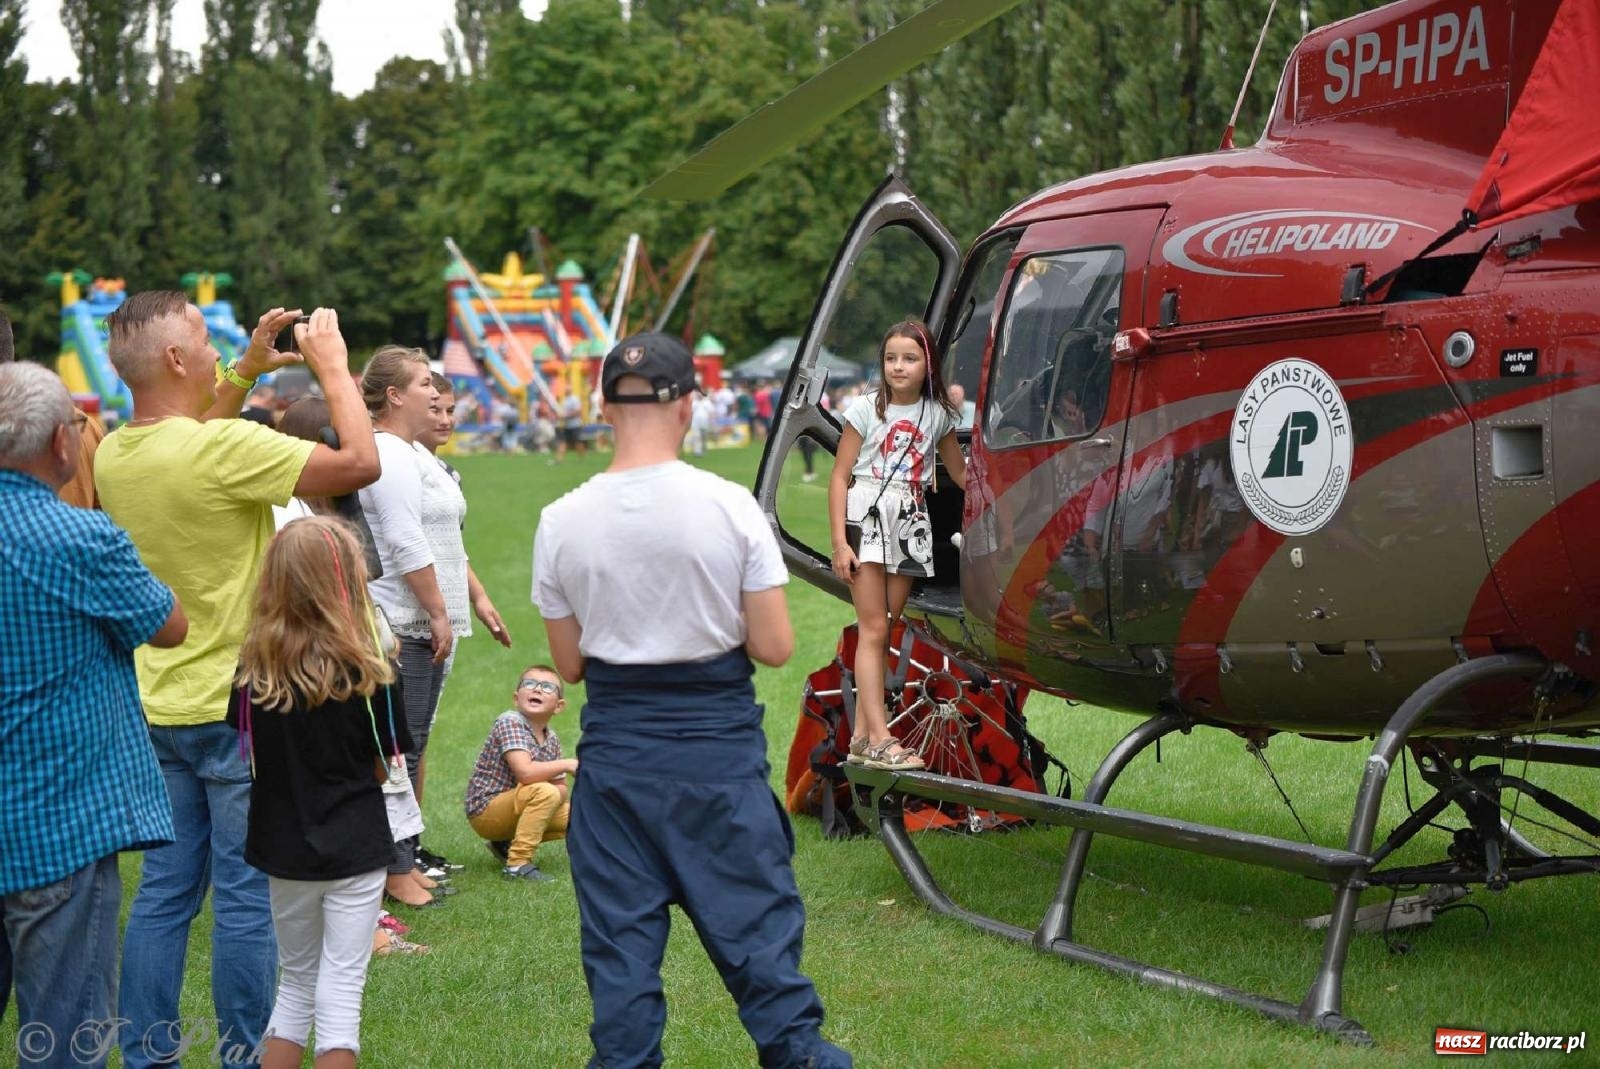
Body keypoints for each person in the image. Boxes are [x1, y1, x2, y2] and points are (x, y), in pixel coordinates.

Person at [535, 331, 850, 1069]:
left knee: (622, 983)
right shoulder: (729, 506)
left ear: (604, 406)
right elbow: (773, 646)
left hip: (616, 768)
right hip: (715, 760)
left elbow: (569, 664)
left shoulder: (560, 519)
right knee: (769, 971)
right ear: (686, 405)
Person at [95, 296, 380, 1069]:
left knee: (163, 893)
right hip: (241, 706)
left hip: (156, 701)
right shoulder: (227, 453)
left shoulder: (117, 453)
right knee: (248, 894)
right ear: (181, 361)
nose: (217, 350)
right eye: (204, 340)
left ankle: (150, 1053)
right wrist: (332, 367)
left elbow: (193, 426)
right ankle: (246, 1053)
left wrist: (250, 364)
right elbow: (359, 464)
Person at [0, 363, 188, 1069]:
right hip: (58, 825)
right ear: (61, 443)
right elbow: (171, 625)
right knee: (65, 1037)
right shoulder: (80, 540)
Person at [227, 516, 408, 1069]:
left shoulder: (252, 672)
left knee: (296, 983)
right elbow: (386, 763)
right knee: (342, 993)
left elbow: (248, 754)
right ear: (348, 583)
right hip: (354, 842)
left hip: (283, 845)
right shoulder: (371, 670)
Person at [357, 347, 470, 906]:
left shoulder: (405, 451)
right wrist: (437, 611)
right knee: (399, 748)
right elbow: (403, 540)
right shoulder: (389, 453)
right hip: (403, 620)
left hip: (417, 619)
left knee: (412, 745)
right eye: (425, 383)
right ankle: (392, 869)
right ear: (395, 396)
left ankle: (400, 860)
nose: (435, 392)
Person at [828, 319, 966, 770]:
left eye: (909, 358)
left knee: (887, 626)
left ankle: (864, 738)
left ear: (928, 364)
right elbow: (839, 476)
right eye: (890, 358)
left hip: (911, 520)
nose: (898, 367)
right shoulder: (866, 409)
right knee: (872, 628)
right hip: (866, 515)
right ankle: (882, 737)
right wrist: (838, 544)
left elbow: (961, 474)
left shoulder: (939, 414)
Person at [462, 665, 575, 881]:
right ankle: (517, 864)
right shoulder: (510, 721)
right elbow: (525, 772)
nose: (537, 690)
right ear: (516, 698)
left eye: (547, 687)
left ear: (559, 706)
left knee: (579, 815)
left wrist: (554, 793)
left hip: (518, 805)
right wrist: (567, 765)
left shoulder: (552, 739)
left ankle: (505, 843)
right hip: (486, 810)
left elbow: (561, 790)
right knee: (544, 792)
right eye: (529, 684)